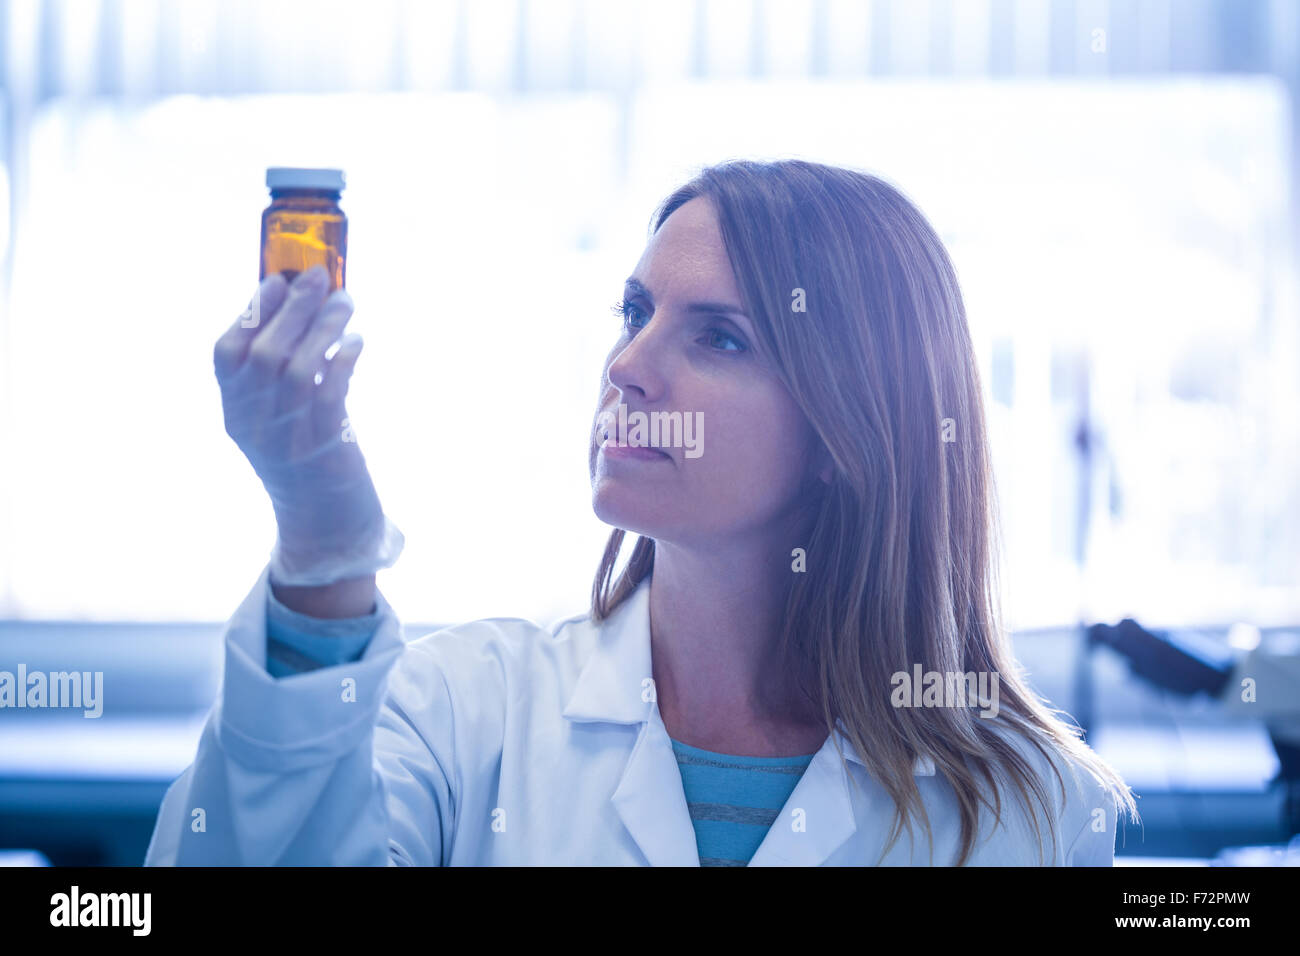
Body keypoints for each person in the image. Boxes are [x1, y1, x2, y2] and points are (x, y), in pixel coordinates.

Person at [146, 158, 1137, 866]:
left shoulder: (1036, 808)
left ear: (852, 428)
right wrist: (321, 541)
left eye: (719, 337)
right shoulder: (464, 714)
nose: (626, 366)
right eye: (635, 313)